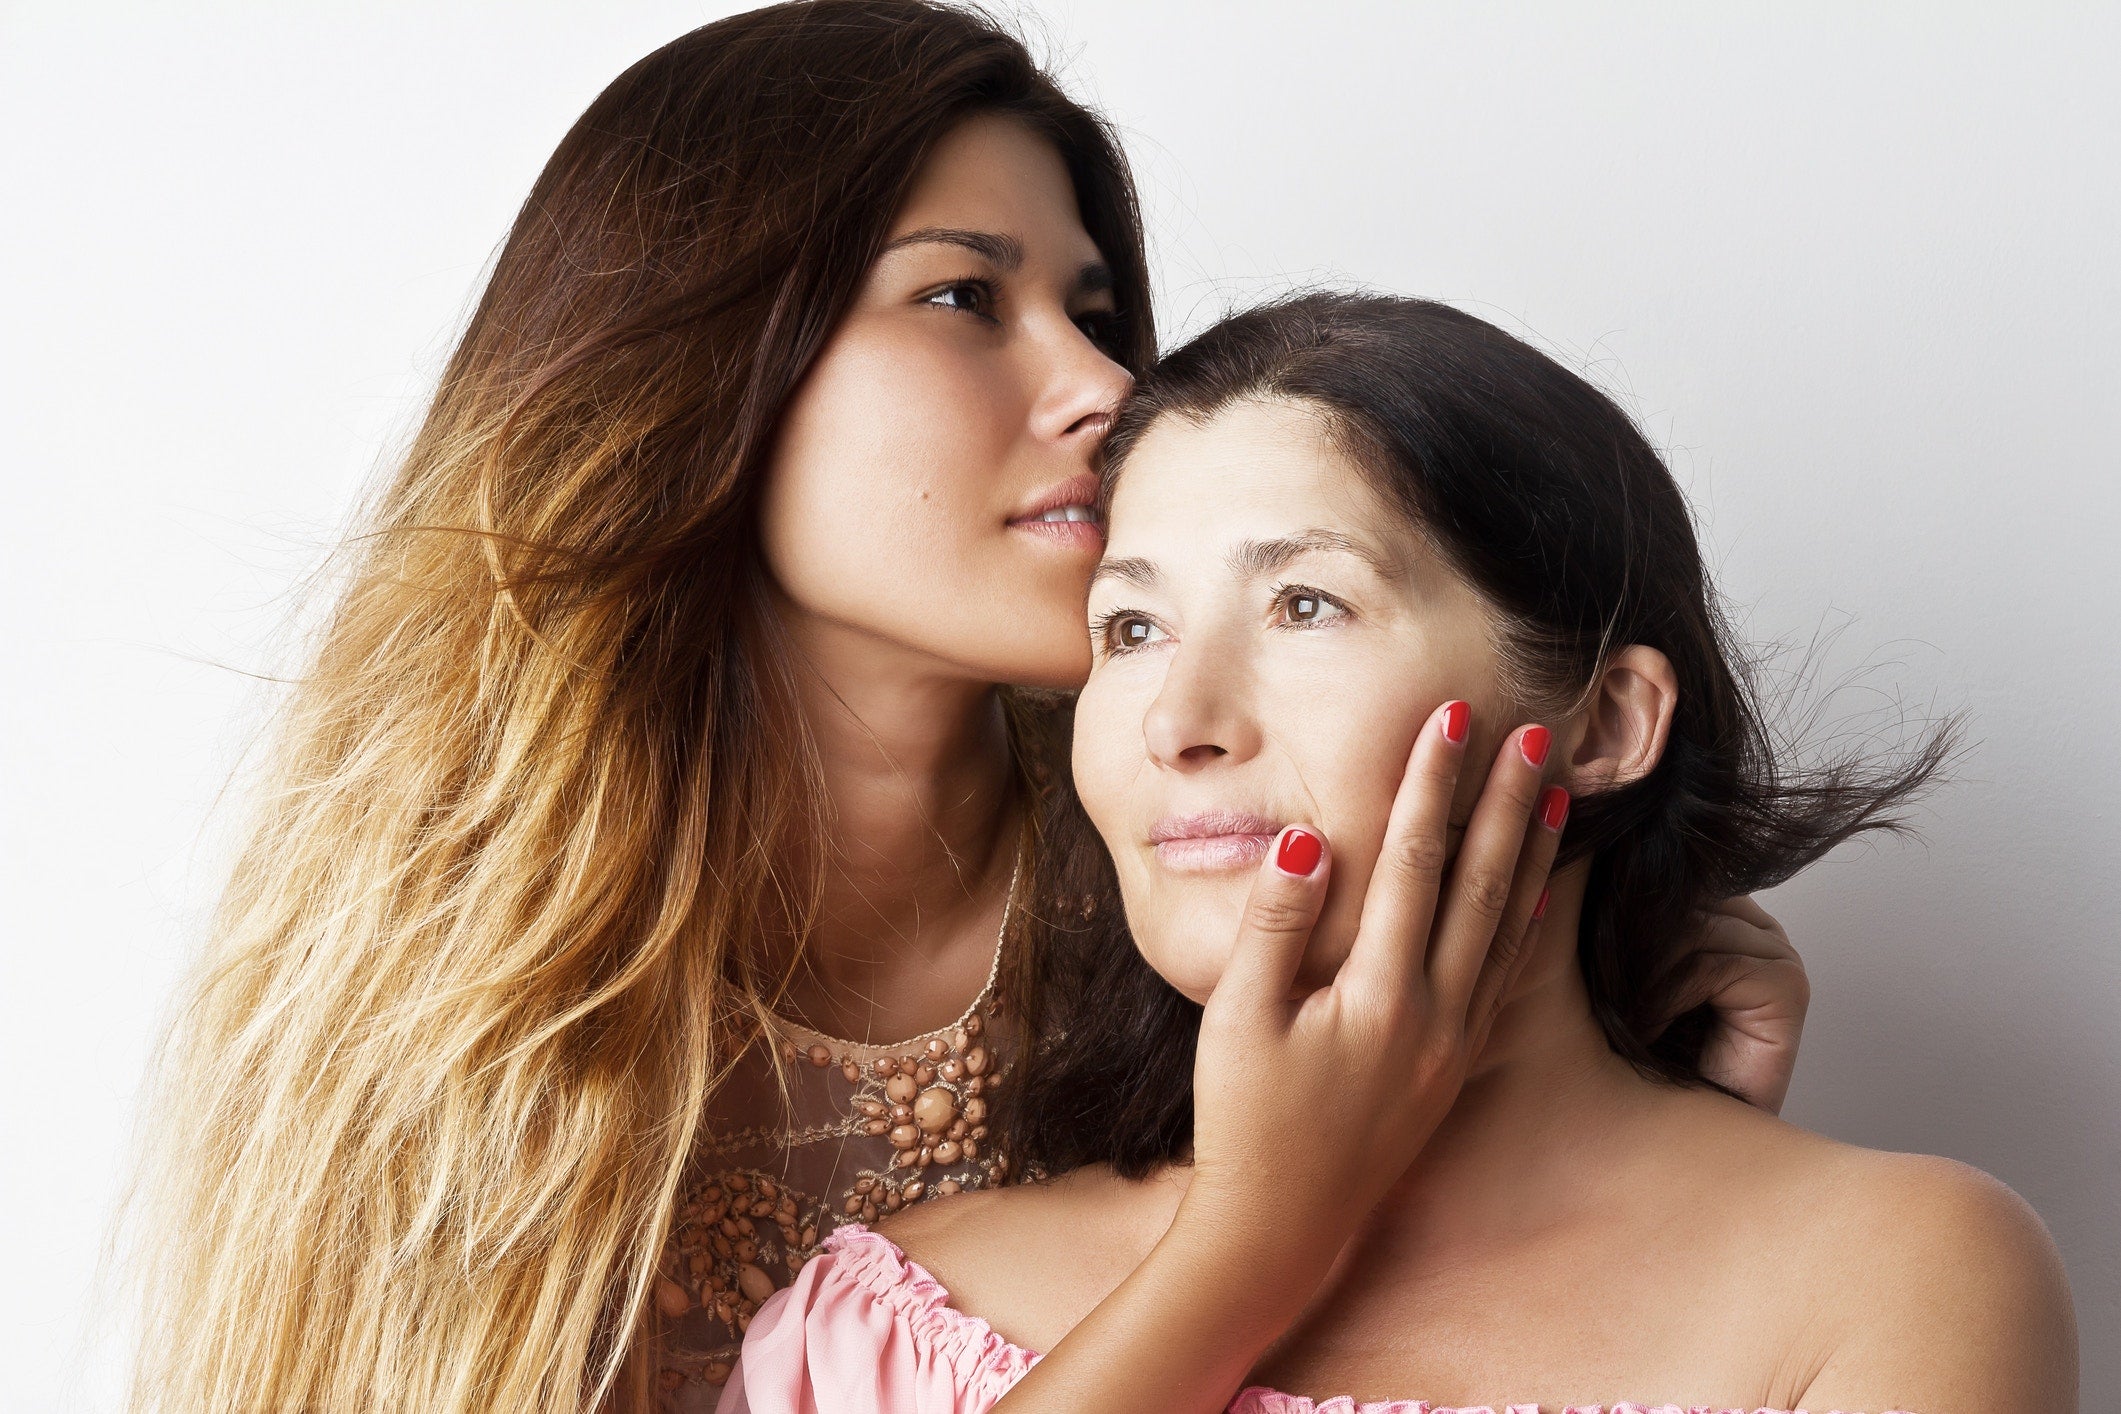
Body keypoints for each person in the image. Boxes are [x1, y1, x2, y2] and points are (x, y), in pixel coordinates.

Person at [123, 8, 1813, 1413]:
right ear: (703, 364)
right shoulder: (428, 977)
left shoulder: (1208, 882)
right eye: (961, 298)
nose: (1105, 389)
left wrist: (1632, 1112)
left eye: (1093, 310)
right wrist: (1259, 1226)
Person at [725, 294, 2079, 1413]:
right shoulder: (881, 1324)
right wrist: (1245, 1246)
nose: (1177, 723)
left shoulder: (1897, 1278)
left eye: (1304, 602)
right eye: (1128, 629)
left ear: (1603, 723)